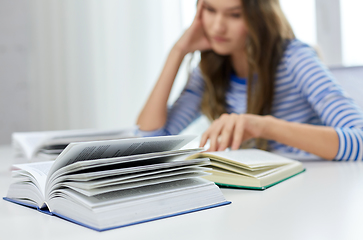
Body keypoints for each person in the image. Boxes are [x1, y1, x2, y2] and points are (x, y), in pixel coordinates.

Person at [136, 0, 363, 161]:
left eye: (234, 14)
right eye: (210, 9)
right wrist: (178, 51)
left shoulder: (294, 58)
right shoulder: (211, 71)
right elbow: (149, 141)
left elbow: (360, 141)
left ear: (260, 16)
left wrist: (262, 126)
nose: (217, 26)